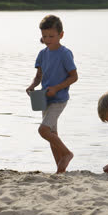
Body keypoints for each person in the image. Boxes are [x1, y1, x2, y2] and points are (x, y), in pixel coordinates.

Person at [26, 15, 78, 173]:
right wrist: (32, 86)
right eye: (44, 36)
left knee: (44, 130)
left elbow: (74, 76)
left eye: (51, 36)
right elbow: (39, 76)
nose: (47, 39)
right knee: (52, 134)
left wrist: (56, 88)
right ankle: (60, 170)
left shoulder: (65, 53)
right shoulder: (42, 54)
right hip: (44, 99)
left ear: (61, 35)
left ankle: (67, 153)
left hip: (59, 99)